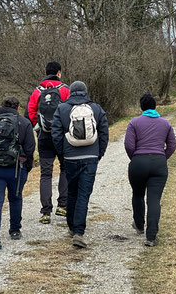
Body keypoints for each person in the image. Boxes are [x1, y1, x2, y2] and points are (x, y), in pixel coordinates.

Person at [51, 81, 109, 248]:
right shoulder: (96, 109)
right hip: (90, 157)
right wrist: (99, 153)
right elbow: (104, 132)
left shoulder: (62, 109)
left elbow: (56, 134)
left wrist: (62, 154)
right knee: (84, 194)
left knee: (72, 191)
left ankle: (72, 226)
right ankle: (79, 232)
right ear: (86, 91)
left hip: (70, 158)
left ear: (70, 92)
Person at [0, 96, 35, 251]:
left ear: (1, 107)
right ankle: (15, 230)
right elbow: (30, 149)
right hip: (16, 169)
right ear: (18, 108)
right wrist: (27, 167)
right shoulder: (24, 123)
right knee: (15, 198)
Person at [124, 94, 176, 247]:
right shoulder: (165, 124)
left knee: (138, 194)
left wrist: (135, 158)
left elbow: (129, 145)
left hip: (139, 162)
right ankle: (151, 236)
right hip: (159, 163)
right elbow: (172, 146)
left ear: (141, 107)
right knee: (154, 200)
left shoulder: (134, 123)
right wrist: (162, 157)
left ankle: (139, 225)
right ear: (155, 106)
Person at [27, 61, 70, 224]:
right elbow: (70, 110)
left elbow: (30, 112)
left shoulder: (37, 91)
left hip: (44, 136)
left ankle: (46, 212)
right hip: (62, 136)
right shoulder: (65, 89)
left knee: (46, 173)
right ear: (59, 73)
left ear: (45, 72)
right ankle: (62, 206)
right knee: (65, 169)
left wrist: (38, 127)